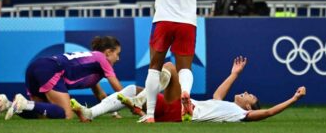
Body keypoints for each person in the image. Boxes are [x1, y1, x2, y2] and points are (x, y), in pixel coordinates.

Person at [83, 0, 281, 123]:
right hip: (186, 23)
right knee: (184, 68)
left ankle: (150, 114)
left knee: (155, 67)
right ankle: (185, 92)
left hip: (163, 21)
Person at [74, 57, 307, 123]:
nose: (246, 92)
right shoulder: (224, 105)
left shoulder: (240, 114)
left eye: (249, 96)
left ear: (248, 106)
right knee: (134, 88)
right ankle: (91, 113)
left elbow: (266, 113)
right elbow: (218, 94)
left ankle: (141, 102)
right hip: (178, 109)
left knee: (169, 67)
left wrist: (293, 99)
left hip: (182, 113)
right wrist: (235, 74)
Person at [0, 36, 123, 120]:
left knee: (42, 113)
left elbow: (100, 94)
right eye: (117, 54)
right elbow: (119, 90)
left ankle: (7, 103)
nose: (118, 58)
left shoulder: (94, 66)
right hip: (51, 69)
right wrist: (134, 104)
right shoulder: (101, 58)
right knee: (66, 115)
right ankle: (23, 103)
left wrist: (114, 112)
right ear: (108, 52)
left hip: (36, 67)